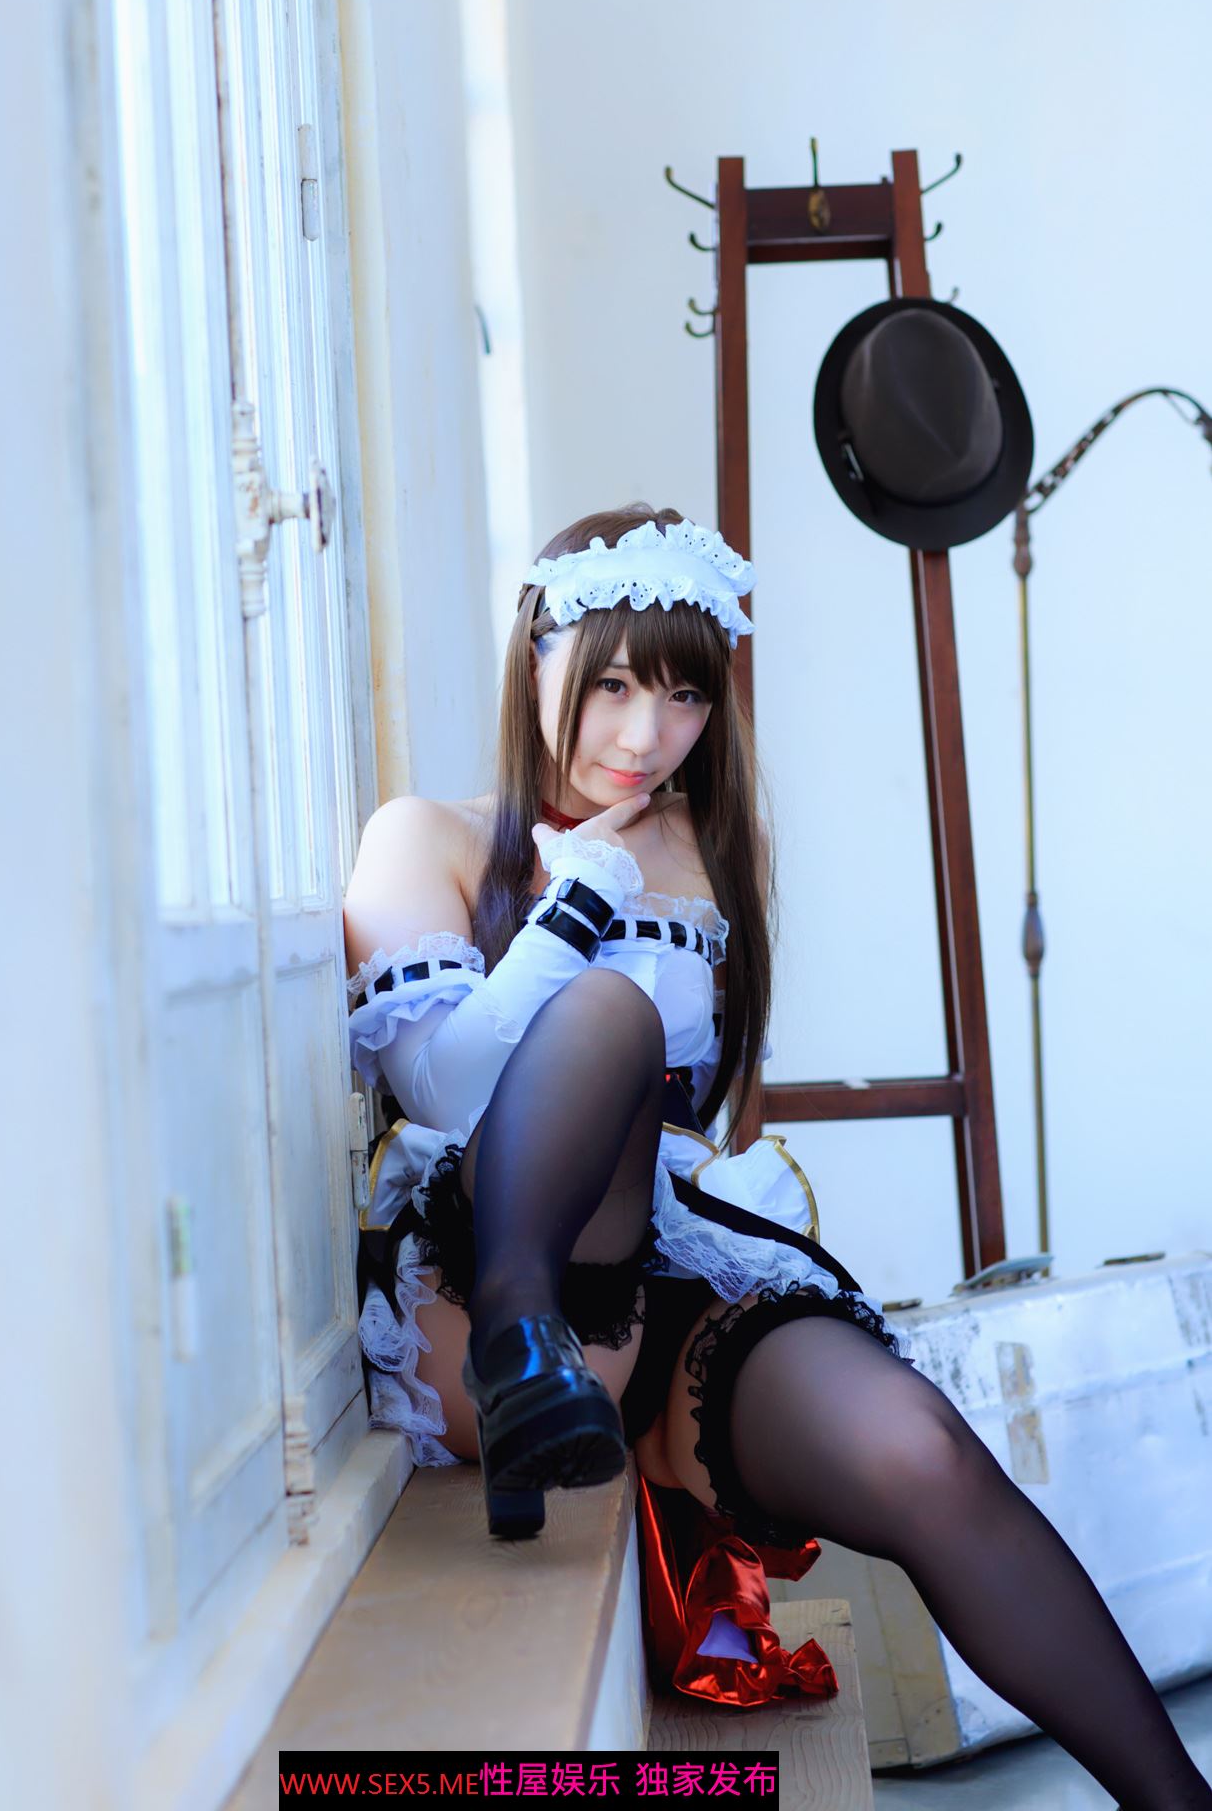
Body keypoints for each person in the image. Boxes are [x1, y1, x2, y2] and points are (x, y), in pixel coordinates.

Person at [342, 503, 1210, 1804]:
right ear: (536, 658)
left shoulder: (708, 846)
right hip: (480, 1286)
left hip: (654, 1279)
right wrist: (571, 909)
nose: (645, 736)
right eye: (613, 684)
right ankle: (527, 1343)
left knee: (916, 1451)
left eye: (684, 695)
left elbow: (703, 1112)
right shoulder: (431, 836)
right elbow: (442, 1086)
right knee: (608, 1011)